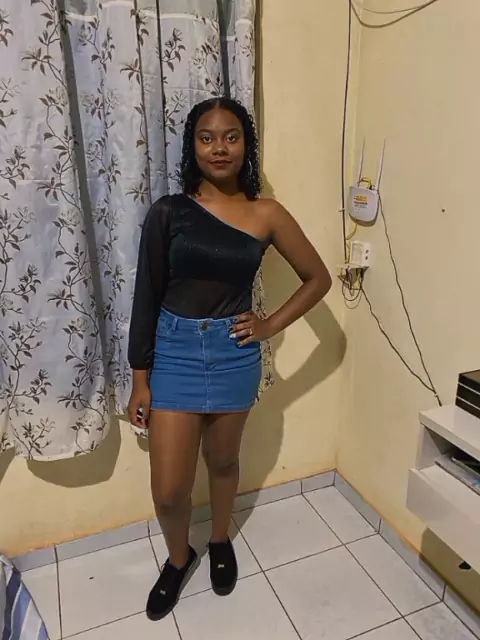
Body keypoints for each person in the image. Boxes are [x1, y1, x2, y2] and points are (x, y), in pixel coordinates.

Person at [127, 97, 332, 621]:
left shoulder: (267, 214)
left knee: (222, 462)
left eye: (231, 136)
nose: (219, 147)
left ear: (246, 145)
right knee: (169, 490)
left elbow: (318, 278)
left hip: (233, 353)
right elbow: (146, 295)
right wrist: (140, 378)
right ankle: (179, 559)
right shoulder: (169, 211)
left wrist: (268, 325)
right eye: (207, 137)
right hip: (174, 352)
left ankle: (219, 539)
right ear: (192, 146)